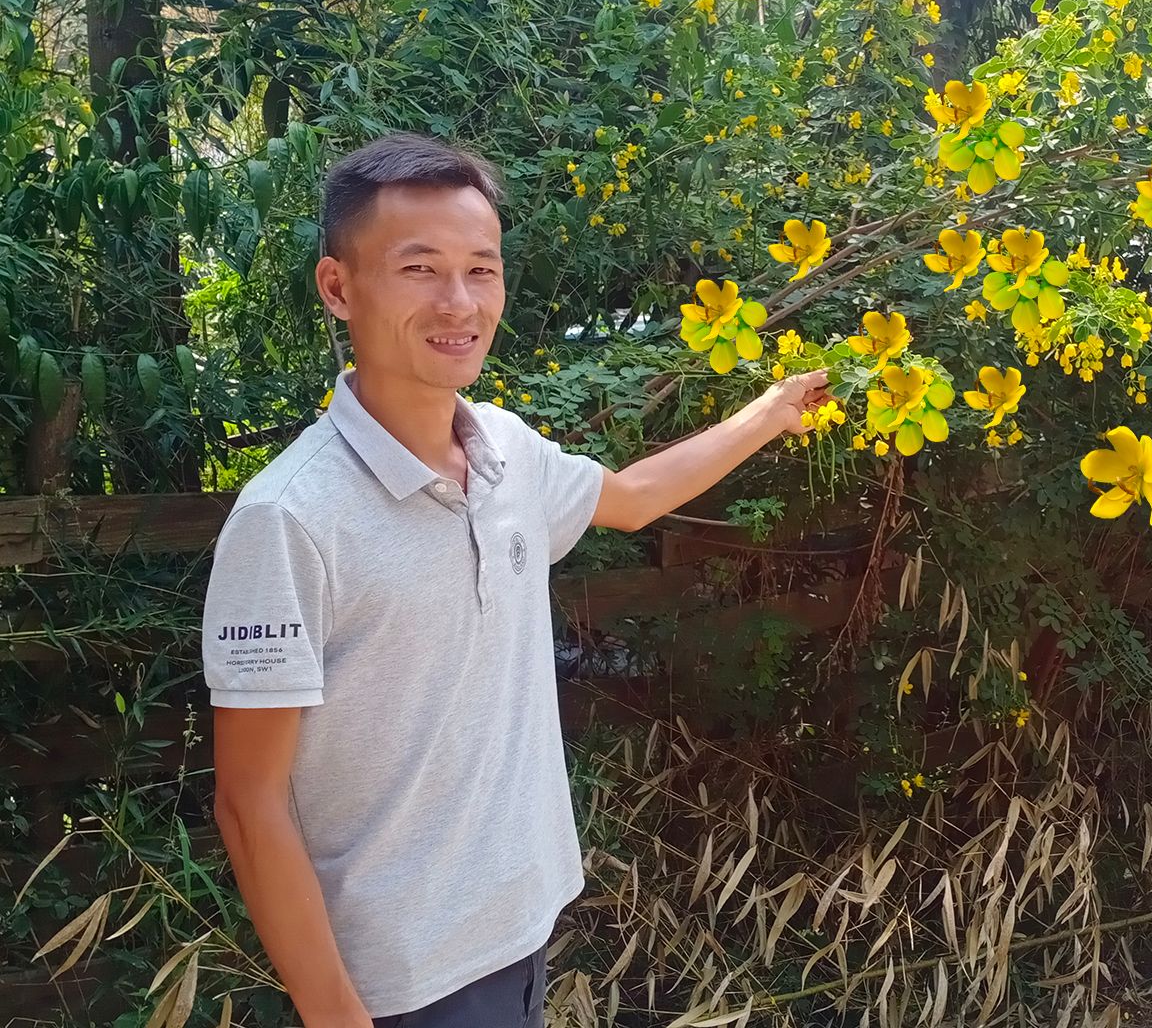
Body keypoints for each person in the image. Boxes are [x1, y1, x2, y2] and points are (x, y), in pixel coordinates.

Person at [201, 132, 830, 1027]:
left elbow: (634, 498)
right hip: (397, 983)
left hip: (520, 927)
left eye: (481, 270)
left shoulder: (505, 451)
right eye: (418, 269)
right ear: (338, 288)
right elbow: (247, 800)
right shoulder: (289, 519)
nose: (458, 302)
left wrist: (770, 413)